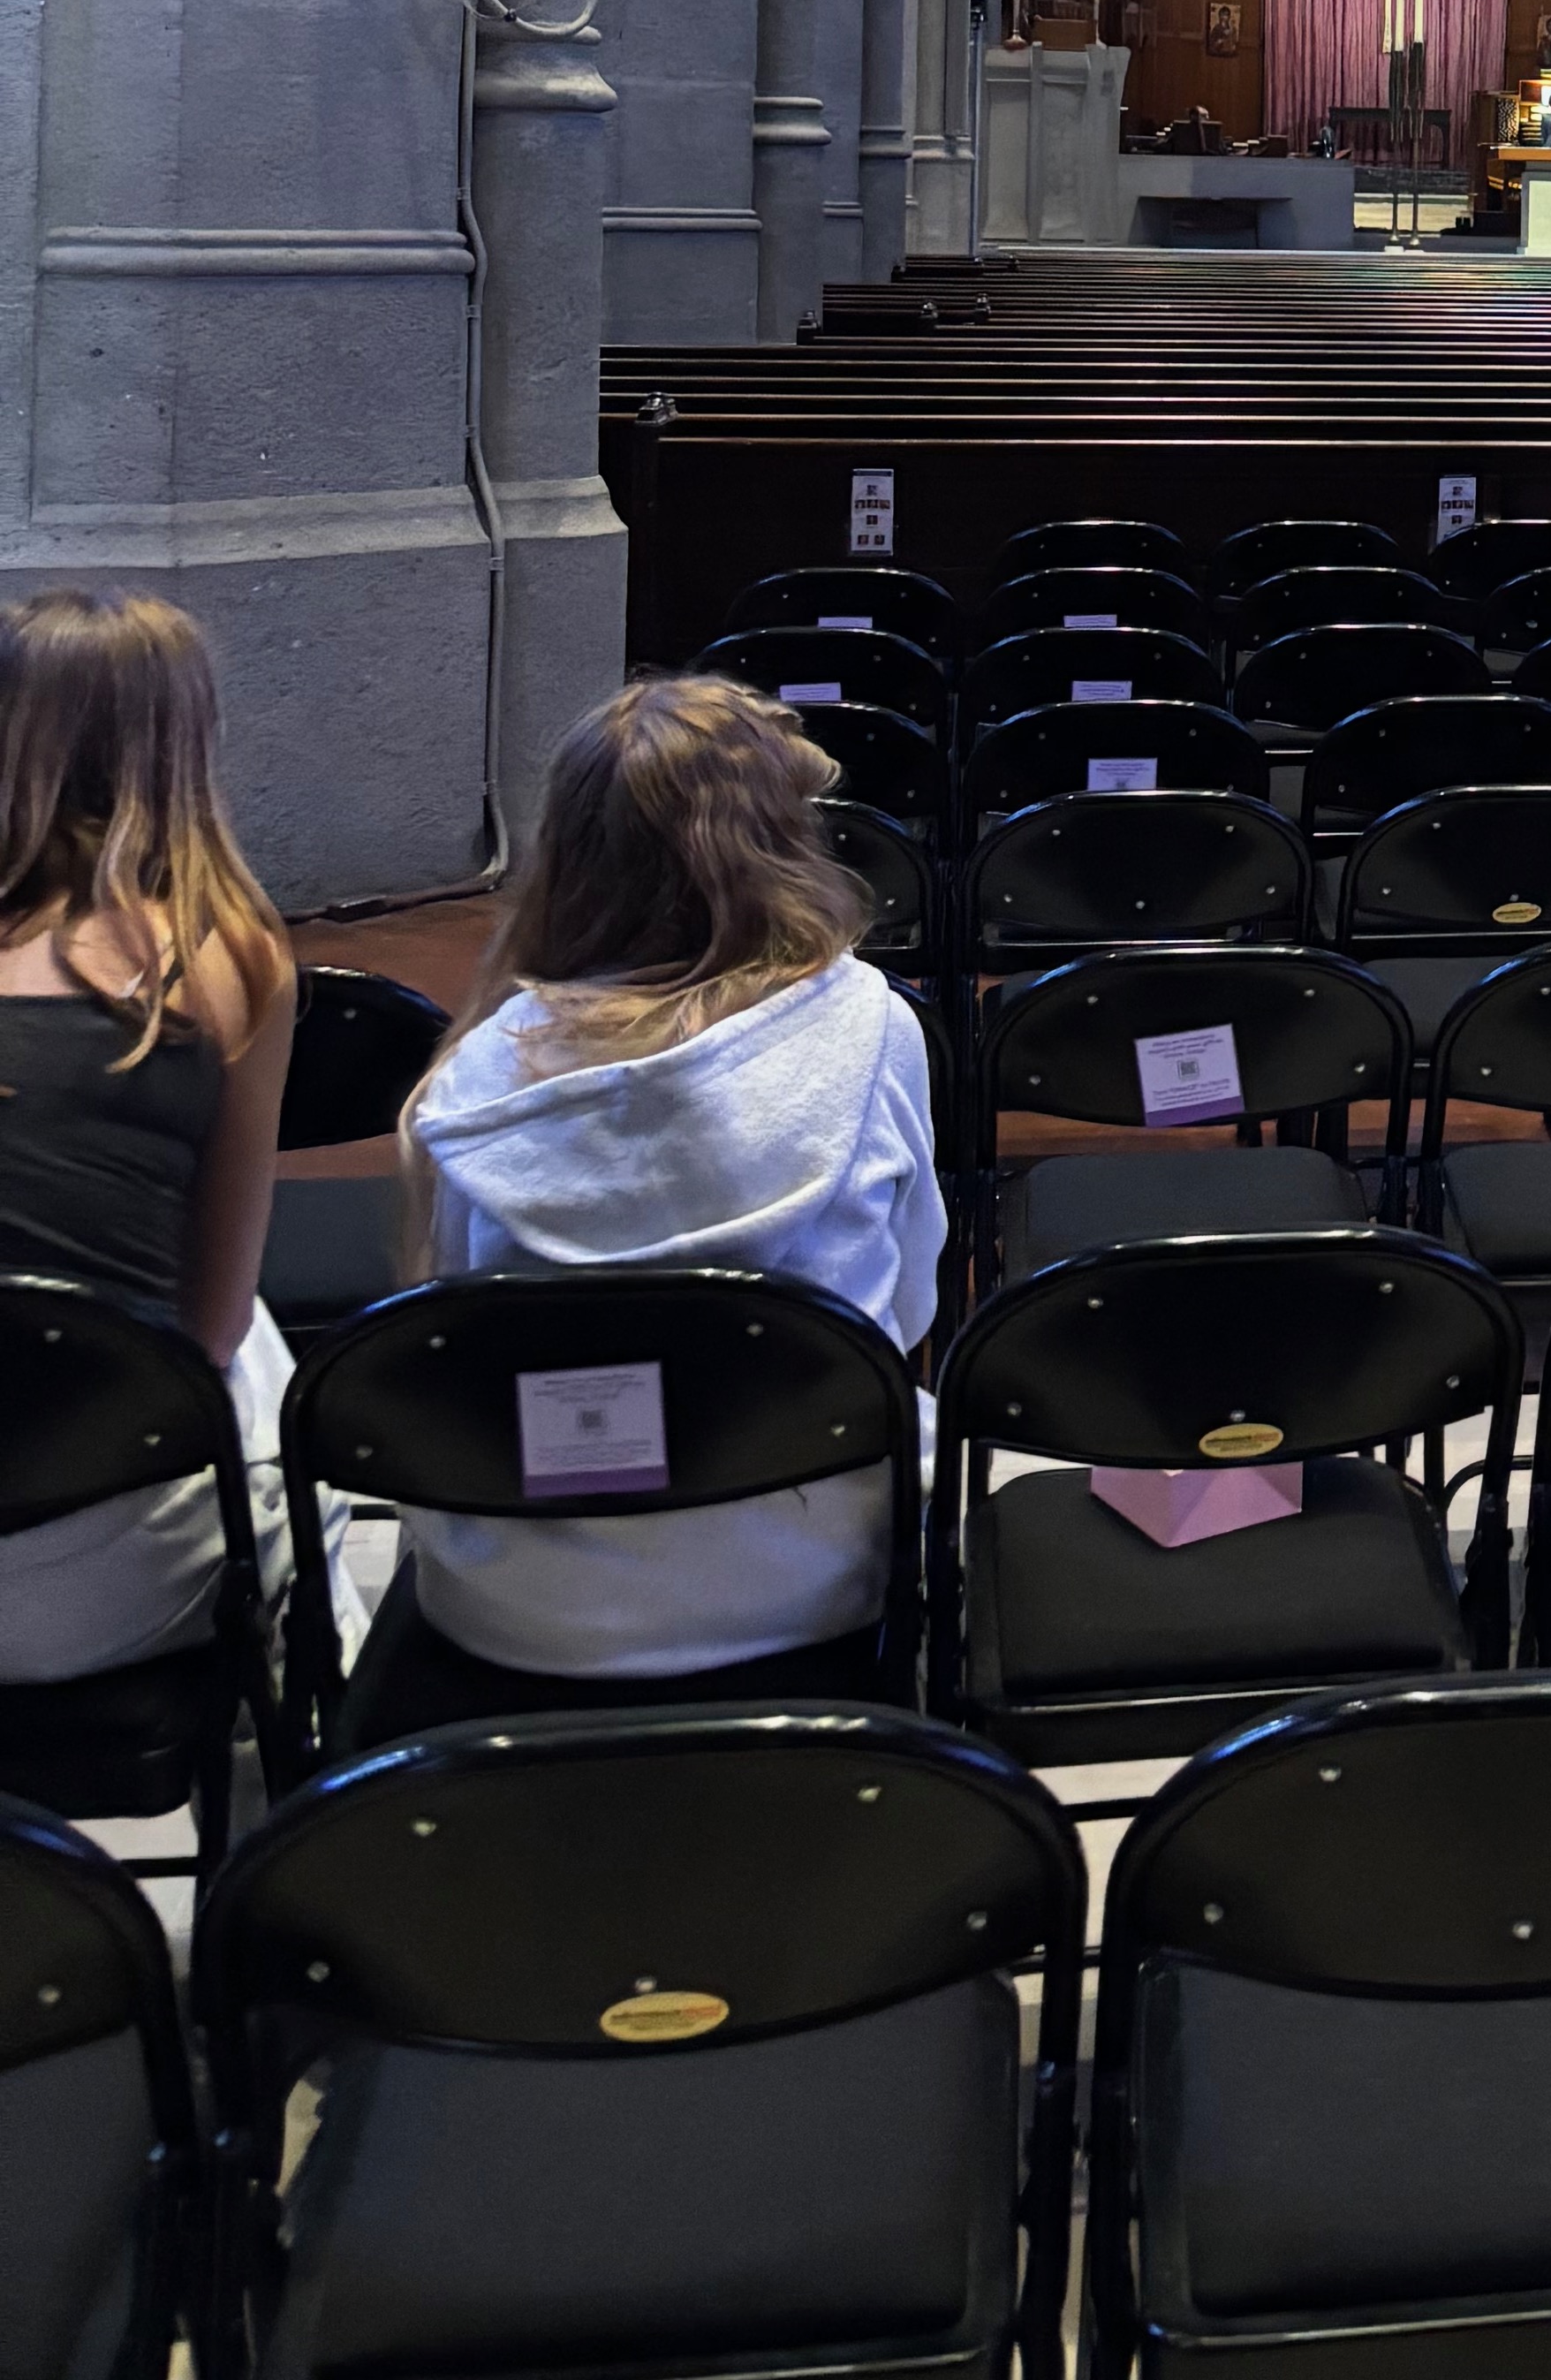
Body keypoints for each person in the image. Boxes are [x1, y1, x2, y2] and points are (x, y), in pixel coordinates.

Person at [397, 671, 943, 1680]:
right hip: (814, 1571)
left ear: (569, 850)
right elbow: (905, 1316)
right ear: (781, 842)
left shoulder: (481, 1072)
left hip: (527, 1603)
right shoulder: (871, 1026)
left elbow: (462, 1336)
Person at [0, 587, 300, 1679]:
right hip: (104, 1585)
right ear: (185, 739)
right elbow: (208, 1329)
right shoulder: (232, 958)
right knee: (256, 1343)